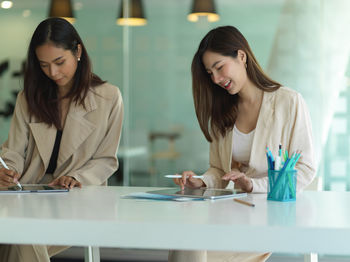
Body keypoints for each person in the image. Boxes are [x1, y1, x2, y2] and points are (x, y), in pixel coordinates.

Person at [169, 26, 315, 262]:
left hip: (271, 215)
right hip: (231, 211)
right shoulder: (222, 112)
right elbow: (219, 169)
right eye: (209, 73)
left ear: (242, 56)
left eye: (219, 67)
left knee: (192, 247)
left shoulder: (289, 102)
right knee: (185, 239)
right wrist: (201, 180)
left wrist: (253, 185)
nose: (215, 79)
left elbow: (305, 169)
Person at [0, 17, 123, 262]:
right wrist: (7, 170)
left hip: (79, 197)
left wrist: (77, 177)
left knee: (20, 236)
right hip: (29, 194)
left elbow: (106, 160)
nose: (53, 73)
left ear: (77, 51)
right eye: (44, 65)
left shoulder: (109, 97)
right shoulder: (29, 98)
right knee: (21, 233)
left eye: (59, 62)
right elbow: (13, 151)